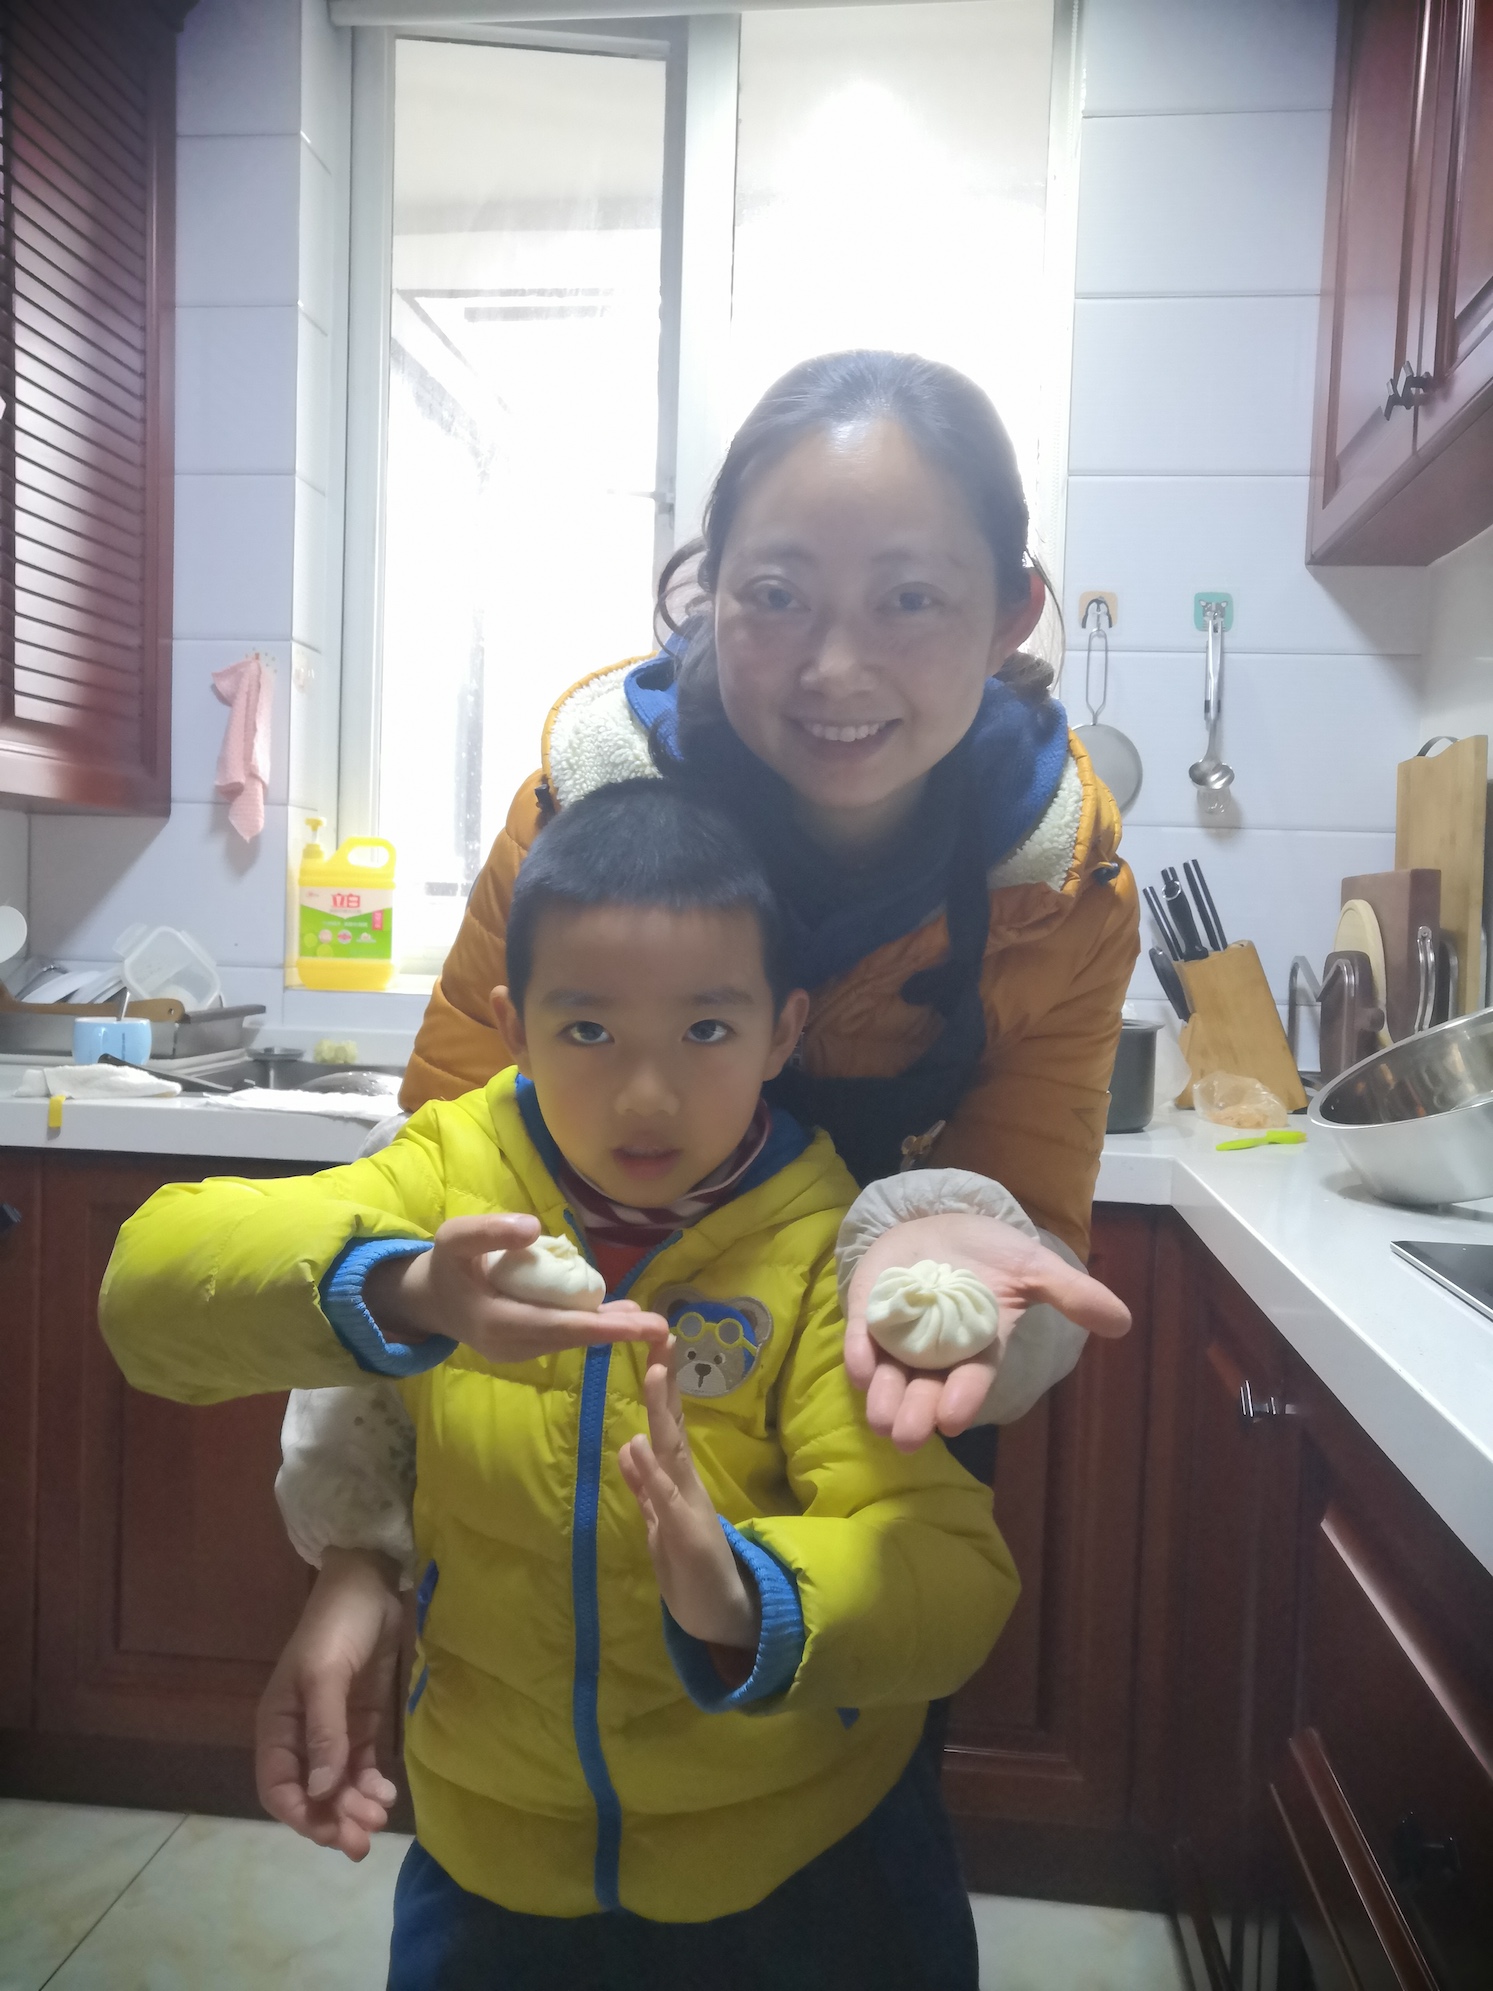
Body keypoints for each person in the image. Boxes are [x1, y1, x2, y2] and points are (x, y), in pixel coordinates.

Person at [100, 782, 1122, 1990]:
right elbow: (148, 1291)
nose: (646, 1094)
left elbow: (947, 1573)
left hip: (780, 1851)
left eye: (706, 1029)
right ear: (514, 1024)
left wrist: (747, 1595)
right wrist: (410, 1289)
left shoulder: (818, 1247)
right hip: (487, 1845)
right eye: (586, 1030)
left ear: (783, 1031)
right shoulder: (447, 1175)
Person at [399, 350, 1141, 1457]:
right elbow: (439, 1168)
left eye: (909, 599)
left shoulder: (1058, 896)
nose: (835, 668)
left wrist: (973, 1312)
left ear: (1007, 616)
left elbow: (1027, 1211)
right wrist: (367, 1487)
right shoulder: (574, 815)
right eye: (778, 597)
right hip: (549, 1421)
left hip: (870, 1425)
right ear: (713, 595)